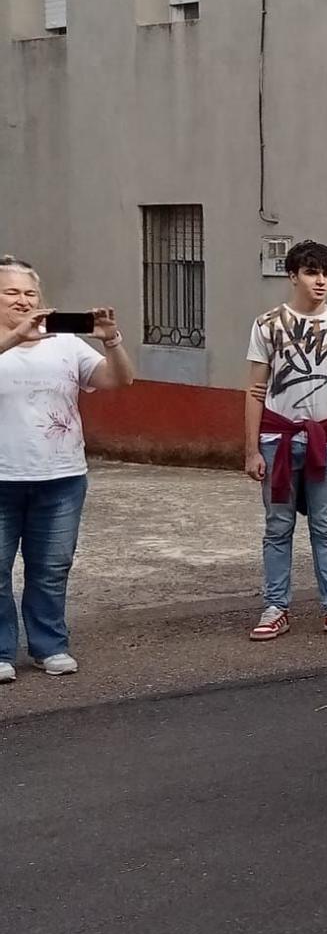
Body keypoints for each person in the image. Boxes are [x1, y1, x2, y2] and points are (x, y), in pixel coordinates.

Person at [0, 256, 133, 683]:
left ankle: (49, 646)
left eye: (30, 293)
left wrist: (111, 341)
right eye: (12, 293)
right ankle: (2, 651)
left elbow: (119, 381)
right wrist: (12, 338)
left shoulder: (65, 343)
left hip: (60, 476)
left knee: (51, 566)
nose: (23, 301)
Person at [245, 240, 327, 641]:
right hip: (277, 437)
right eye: (312, 272)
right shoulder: (267, 324)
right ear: (293, 275)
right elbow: (254, 390)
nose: (321, 281)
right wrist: (251, 449)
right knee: (278, 526)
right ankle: (275, 606)